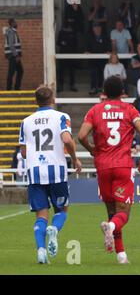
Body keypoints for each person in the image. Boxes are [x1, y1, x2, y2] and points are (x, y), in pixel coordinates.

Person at [78, 76, 140, 265]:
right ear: (122, 92)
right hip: (122, 166)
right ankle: (110, 228)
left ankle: (121, 255)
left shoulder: (95, 110)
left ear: (104, 92)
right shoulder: (129, 109)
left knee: (112, 211)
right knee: (123, 213)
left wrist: (92, 150)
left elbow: (81, 135)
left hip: (102, 166)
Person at [19, 86, 81, 264]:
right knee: (62, 210)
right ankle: (54, 228)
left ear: (35, 101)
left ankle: (40, 251)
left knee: (41, 214)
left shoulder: (26, 121)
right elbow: (67, 139)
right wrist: (75, 159)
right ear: (52, 100)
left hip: (35, 172)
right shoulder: (61, 117)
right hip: (57, 172)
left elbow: (23, 153)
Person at [86, 25, 111, 96]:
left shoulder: (105, 37)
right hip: (93, 59)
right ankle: (93, 88)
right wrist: (87, 51)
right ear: (93, 29)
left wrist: (108, 51)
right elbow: (87, 47)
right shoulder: (90, 37)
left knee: (102, 73)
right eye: (95, 28)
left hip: (102, 59)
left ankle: (101, 88)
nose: (97, 29)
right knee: (93, 73)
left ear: (101, 28)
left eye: (99, 27)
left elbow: (108, 46)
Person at [56, 20, 77, 92]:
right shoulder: (61, 32)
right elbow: (58, 43)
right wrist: (63, 44)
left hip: (71, 54)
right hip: (63, 54)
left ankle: (72, 85)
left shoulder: (73, 32)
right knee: (61, 70)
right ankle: (60, 86)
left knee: (72, 71)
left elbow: (76, 44)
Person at [4, 18, 23, 91]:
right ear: (12, 23)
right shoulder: (11, 32)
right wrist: (16, 55)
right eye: (15, 22)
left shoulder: (13, 32)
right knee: (11, 72)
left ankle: (16, 88)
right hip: (13, 55)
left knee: (20, 71)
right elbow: (11, 45)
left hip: (13, 55)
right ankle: (9, 88)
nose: (16, 23)